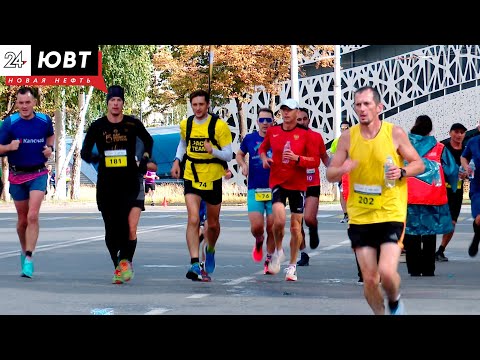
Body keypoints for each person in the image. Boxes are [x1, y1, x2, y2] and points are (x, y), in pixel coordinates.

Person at [326, 86, 425, 315]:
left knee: (387, 272)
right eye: (358, 104)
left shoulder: (395, 133)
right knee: (370, 279)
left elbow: (418, 164)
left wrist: (401, 172)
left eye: (367, 104)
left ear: (379, 107)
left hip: (390, 211)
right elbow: (330, 174)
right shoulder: (348, 137)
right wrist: (342, 168)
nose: (362, 109)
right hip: (360, 215)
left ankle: (394, 300)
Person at [81, 85, 154, 284]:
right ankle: (118, 264)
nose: (115, 104)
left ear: (122, 103)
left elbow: (148, 140)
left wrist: (145, 157)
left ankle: (125, 261)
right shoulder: (98, 126)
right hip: (107, 184)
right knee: (112, 230)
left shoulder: (132, 124)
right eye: (112, 100)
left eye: (119, 101)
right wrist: (98, 158)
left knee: (130, 227)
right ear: (108, 103)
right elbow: (84, 153)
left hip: (130, 182)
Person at [170, 89, 233, 282]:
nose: (197, 108)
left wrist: (212, 150)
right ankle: (195, 262)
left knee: (212, 225)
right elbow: (183, 144)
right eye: (194, 105)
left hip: (213, 178)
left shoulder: (219, 126)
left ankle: (211, 249)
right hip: (192, 175)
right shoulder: (186, 124)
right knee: (193, 219)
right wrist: (176, 161)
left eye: (201, 104)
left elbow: (228, 155)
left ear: (207, 105)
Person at [258, 98, 320, 281]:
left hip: (298, 184)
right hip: (277, 180)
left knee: (295, 228)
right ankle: (278, 250)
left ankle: (292, 266)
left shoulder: (305, 135)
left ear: (296, 112)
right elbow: (263, 148)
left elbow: (315, 161)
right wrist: (264, 159)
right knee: (278, 221)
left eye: (290, 110)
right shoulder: (273, 131)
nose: (286, 113)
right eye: (283, 110)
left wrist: (297, 158)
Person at [0, 86, 55, 278]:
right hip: (17, 175)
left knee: (33, 216)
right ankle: (24, 251)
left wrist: (50, 148)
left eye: (28, 102)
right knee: (22, 220)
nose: (24, 106)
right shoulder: (9, 123)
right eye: (21, 103)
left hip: (38, 173)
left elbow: (50, 135)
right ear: (16, 103)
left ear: (34, 103)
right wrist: (9, 146)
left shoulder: (44, 120)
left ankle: (30, 258)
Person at [403, 115, 458, 276]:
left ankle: (413, 269)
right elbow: (452, 170)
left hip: (409, 195)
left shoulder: (404, 146)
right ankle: (428, 269)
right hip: (432, 195)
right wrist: (453, 187)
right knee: (429, 232)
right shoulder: (439, 148)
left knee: (411, 231)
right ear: (430, 130)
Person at [236, 108, 276, 274]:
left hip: (275, 189)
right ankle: (259, 241)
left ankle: (269, 258)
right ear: (257, 122)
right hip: (255, 188)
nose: (265, 123)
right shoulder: (250, 138)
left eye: (268, 120)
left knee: (272, 227)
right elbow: (239, 155)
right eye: (262, 120)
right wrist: (244, 165)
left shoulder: (278, 138)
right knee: (257, 227)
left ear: (273, 121)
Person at [295, 107, 330, 266]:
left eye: (304, 119)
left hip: (313, 183)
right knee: (298, 221)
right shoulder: (290, 138)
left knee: (308, 217)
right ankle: (303, 253)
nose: (302, 122)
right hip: (295, 184)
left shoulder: (316, 137)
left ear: (309, 120)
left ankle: (313, 227)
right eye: (299, 119)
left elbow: (324, 157)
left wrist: (334, 170)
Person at [435, 123, 469, 262]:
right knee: (434, 220)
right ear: (450, 133)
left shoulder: (467, 151)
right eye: (456, 132)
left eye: (462, 132)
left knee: (452, 223)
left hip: (457, 191)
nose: (459, 135)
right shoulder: (443, 149)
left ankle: (441, 250)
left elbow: (471, 169)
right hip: (440, 190)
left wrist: (466, 174)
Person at [461, 130, 480, 258]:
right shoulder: (473, 142)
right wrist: (466, 166)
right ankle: (477, 238)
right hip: (477, 186)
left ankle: (477, 237)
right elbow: (463, 157)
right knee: (479, 218)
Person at [331, 120, 351, 223]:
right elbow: (332, 156)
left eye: (346, 129)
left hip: (353, 173)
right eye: (342, 129)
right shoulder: (336, 142)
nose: (344, 131)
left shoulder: (355, 141)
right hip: (341, 174)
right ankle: (345, 215)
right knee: (343, 193)